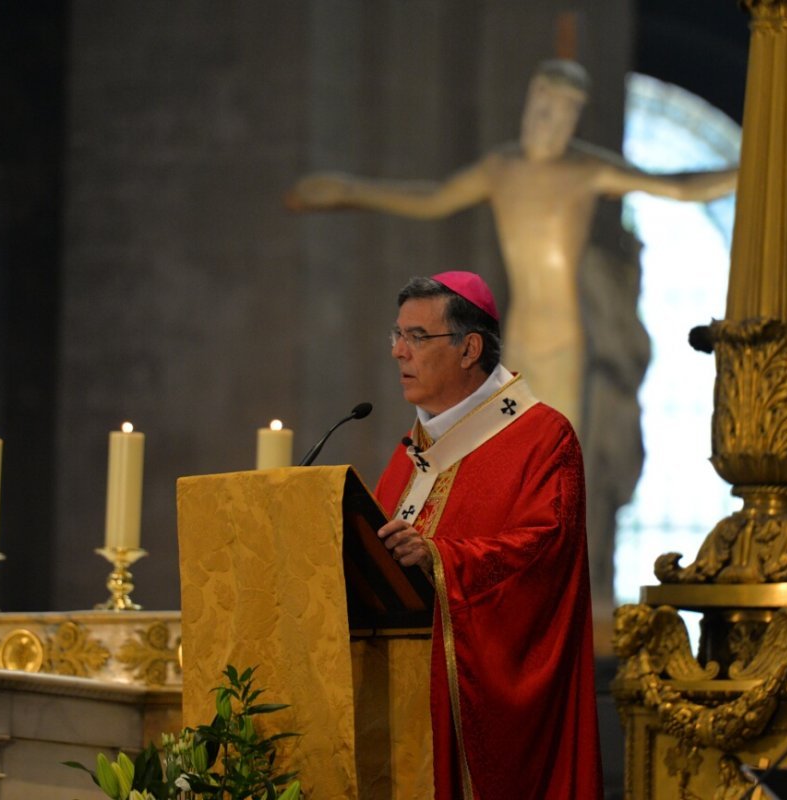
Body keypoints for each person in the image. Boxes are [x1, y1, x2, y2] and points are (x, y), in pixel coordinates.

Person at [289, 59, 737, 623]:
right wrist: (347, 192)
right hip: (524, 335)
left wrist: (751, 169)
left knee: (561, 473)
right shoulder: (503, 169)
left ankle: (561, 593)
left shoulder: (583, 169)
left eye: (563, 112)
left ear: (574, 120)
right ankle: (499, 582)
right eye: (542, 105)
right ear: (529, 103)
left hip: (567, 342)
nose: (548, 121)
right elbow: (431, 197)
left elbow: (673, 185)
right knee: (505, 462)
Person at [374, 271, 603, 799]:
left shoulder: (542, 438)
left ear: (469, 348)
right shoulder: (411, 450)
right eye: (396, 336)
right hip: (403, 716)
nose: (399, 353)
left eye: (416, 337)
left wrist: (440, 559)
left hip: (494, 720)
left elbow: (544, 556)